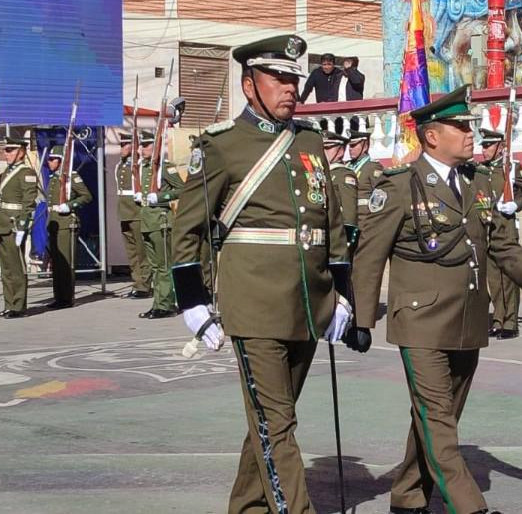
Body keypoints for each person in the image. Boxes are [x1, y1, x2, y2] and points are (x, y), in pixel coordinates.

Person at [351, 85, 522, 514]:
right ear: (431, 136)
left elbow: (503, 245)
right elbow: (370, 256)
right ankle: (470, 507)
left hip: (467, 322)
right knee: (439, 419)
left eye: (471, 125)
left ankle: (407, 496)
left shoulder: (478, 183)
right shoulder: (399, 187)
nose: (471, 133)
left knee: (434, 418)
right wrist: (362, 318)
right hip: (421, 323)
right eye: (461, 126)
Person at [172, 34, 354, 514]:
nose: (291, 88)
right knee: (277, 424)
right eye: (278, 78)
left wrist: (343, 295)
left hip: (310, 303)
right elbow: (187, 228)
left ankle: (247, 507)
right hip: (254, 305)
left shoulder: (310, 141)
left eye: (294, 78)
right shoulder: (221, 146)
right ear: (249, 84)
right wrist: (192, 303)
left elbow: (331, 225)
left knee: (272, 418)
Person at [477, 127, 522, 340]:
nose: (484, 150)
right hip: (487, 228)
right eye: (483, 146)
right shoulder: (480, 170)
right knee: (493, 278)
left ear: (501, 146)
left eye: (488, 146)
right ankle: (498, 319)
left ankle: (510, 322)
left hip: (505, 227)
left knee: (509, 277)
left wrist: (516, 204)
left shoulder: (511, 168)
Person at [0, 135, 38, 319]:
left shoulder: (26, 173)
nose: (6, 153)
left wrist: (22, 226)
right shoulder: (9, 171)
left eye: (10, 150)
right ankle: (9, 304)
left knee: (16, 268)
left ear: (21, 152)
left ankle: (18, 306)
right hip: (2, 222)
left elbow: (29, 202)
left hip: (14, 225)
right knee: (6, 268)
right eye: (5, 150)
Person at [138, 131, 182, 319]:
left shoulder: (166, 168)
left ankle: (166, 305)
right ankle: (158, 303)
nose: (142, 149)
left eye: (146, 145)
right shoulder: (144, 168)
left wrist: (162, 197)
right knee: (155, 266)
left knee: (164, 265)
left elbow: (182, 188)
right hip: (147, 221)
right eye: (141, 145)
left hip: (161, 221)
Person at [44, 145, 93, 309]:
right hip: (54, 223)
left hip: (66, 223)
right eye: (49, 159)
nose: (49, 162)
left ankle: (66, 298)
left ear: (60, 160)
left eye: (52, 159)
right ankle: (59, 296)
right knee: (57, 263)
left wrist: (70, 206)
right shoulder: (53, 178)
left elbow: (86, 196)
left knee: (65, 263)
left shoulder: (71, 177)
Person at [115, 131, 152, 299]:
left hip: (136, 211)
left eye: (124, 145)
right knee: (131, 252)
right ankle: (137, 283)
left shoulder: (139, 165)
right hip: (124, 211)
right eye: (121, 145)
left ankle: (144, 285)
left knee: (141, 251)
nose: (121, 148)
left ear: (131, 147)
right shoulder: (120, 165)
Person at [324, 130, 359, 246]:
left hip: (338, 235)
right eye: (324, 148)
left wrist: (347, 241)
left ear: (341, 150)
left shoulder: (344, 175)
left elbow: (349, 211)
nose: (325, 151)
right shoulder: (324, 172)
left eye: (328, 148)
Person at [347, 129, 384, 215]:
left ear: (365, 146)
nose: (350, 149)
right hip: (348, 215)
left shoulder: (373, 167)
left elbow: (380, 194)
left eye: (353, 145)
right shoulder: (347, 166)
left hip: (365, 217)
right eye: (349, 146)